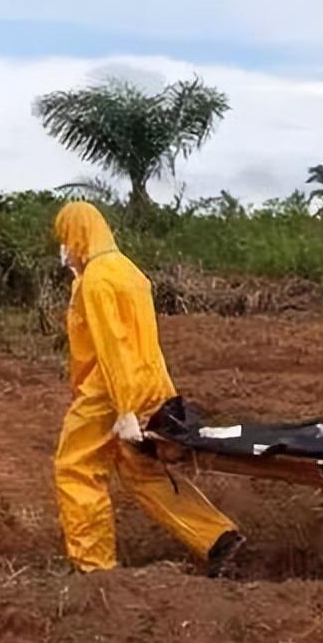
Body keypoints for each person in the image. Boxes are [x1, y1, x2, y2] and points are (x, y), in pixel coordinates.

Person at [52, 201, 244, 574]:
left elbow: (113, 344)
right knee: (142, 472)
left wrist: (124, 409)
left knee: (75, 468)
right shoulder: (128, 271)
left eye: (64, 238)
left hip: (106, 393)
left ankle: (93, 567)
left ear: (77, 233)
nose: (63, 248)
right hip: (148, 386)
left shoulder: (97, 279)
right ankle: (218, 538)